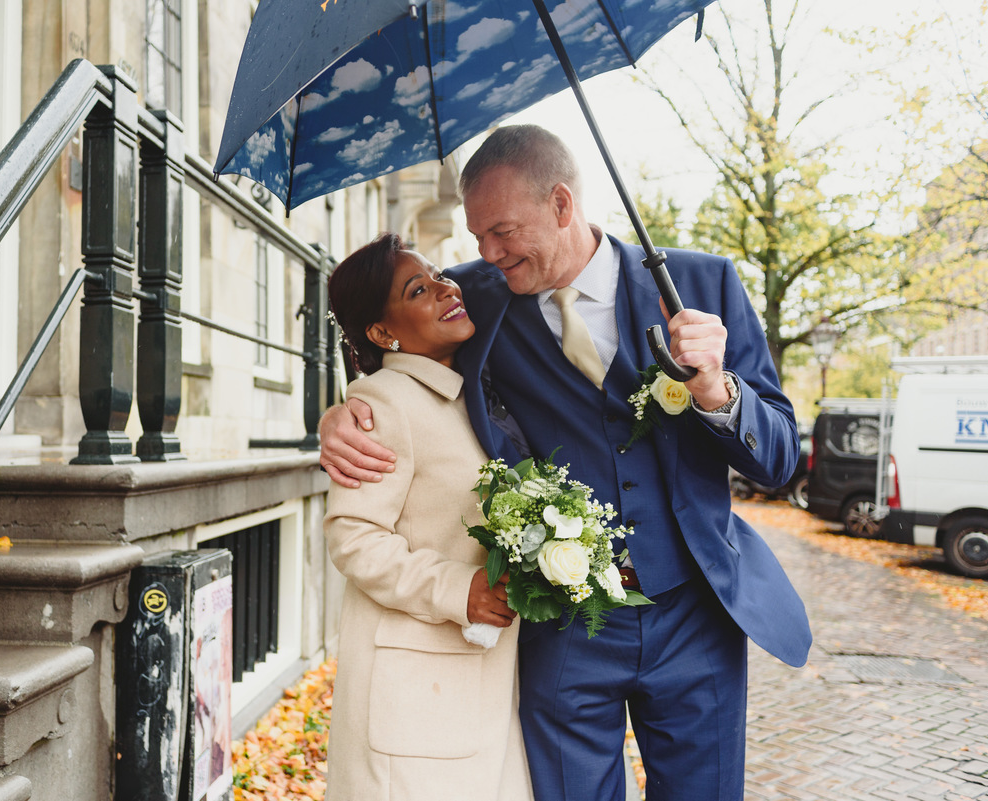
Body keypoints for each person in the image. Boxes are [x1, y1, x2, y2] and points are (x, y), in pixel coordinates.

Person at [319, 125, 811, 801]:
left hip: (695, 616)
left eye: (501, 232)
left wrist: (717, 390)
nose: (485, 255)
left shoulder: (700, 284)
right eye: (475, 237)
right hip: (563, 631)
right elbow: (387, 340)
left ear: (560, 204)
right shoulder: (477, 299)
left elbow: (782, 457)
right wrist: (343, 411)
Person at [321, 233, 533, 801]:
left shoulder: (467, 397)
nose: (444, 289)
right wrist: (456, 589)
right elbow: (353, 537)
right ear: (383, 332)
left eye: (439, 274)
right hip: (414, 697)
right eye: (419, 289)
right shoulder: (385, 401)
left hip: (478, 687)